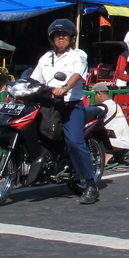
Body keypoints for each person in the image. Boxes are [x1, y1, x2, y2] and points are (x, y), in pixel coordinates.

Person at [29, 18, 99, 204]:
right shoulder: (45, 58)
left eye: (65, 35)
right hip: (48, 105)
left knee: (75, 142)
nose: (61, 38)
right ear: (51, 38)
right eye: (57, 35)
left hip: (71, 105)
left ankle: (91, 185)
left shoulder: (78, 55)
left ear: (71, 38)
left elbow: (77, 74)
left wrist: (65, 88)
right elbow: (34, 79)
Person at [91, 82, 129, 167]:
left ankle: (108, 154)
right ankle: (118, 156)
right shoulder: (116, 105)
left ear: (99, 94)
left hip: (114, 146)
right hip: (127, 144)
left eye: (92, 95)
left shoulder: (102, 107)